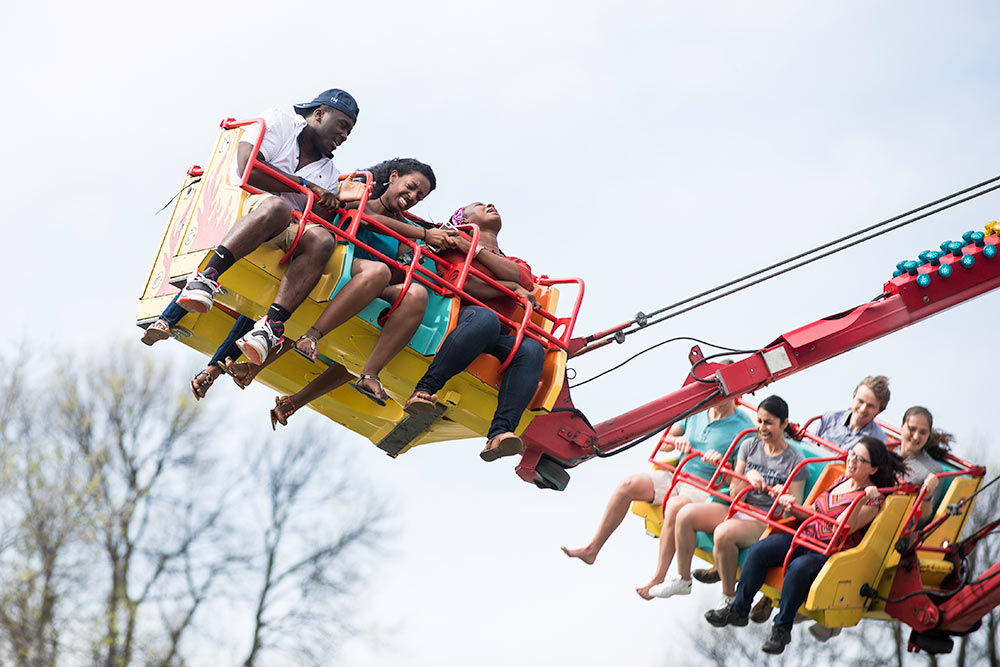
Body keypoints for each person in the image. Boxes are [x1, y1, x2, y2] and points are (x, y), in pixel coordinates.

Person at [165, 89, 360, 368]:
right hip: (243, 204)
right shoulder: (278, 122)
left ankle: (272, 325)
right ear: (319, 114)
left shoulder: (328, 172)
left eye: (349, 133)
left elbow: (313, 222)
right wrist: (305, 186)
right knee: (277, 208)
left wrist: (334, 203)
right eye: (343, 126)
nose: (344, 136)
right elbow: (249, 168)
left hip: (281, 229)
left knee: (323, 240)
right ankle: (207, 276)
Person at [263, 158, 455, 425]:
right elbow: (367, 218)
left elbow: (400, 268)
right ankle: (312, 335)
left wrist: (417, 255)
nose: (411, 196)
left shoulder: (407, 228)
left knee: (415, 293)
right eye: (410, 187)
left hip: (370, 283)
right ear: (395, 176)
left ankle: (369, 375)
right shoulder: (363, 196)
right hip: (339, 262)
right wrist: (423, 233)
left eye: (419, 196)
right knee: (378, 272)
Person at [705, 436, 907, 655]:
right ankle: (739, 608)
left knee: (799, 568)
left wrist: (859, 499)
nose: (851, 460)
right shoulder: (839, 481)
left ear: (873, 469)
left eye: (859, 459)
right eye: (852, 454)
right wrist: (791, 505)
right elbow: (811, 512)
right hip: (804, 535)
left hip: (828, 550)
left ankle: (782, 628)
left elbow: (844, 527)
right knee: (760, 550)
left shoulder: (873, 501)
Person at [402, 202, 544, 462]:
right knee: (485, 317)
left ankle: (500, 433)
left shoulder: (512, 260)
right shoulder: (453, 240)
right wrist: (511, 288)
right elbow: (465, 283)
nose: (490, 205)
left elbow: (523, 280)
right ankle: (424, 389)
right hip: (457, 315)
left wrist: (473, 250)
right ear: (462, 218)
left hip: (494, 329)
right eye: (479, 205)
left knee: (531, 349)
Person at [559, 394, 753, 581]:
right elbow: (664, 443)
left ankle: (659, 577)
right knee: (628, 485)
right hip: (677, 476)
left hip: (704, 488)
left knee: (675, 506)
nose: (717, 395)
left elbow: (737, 484)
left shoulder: (744, 429)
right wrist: (676, 441)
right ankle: (592, 549)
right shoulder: (699, 410)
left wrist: (721, 464)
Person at [645, 396, 808, 612]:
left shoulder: (796, 460)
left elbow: (795, 510)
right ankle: (683, 580)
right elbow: (735, 489)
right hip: (739, 506)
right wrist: (742, 475)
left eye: (768, 422)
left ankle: (728, 597)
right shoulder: (749, 445)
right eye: (759, 421)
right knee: (685, 514)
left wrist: (782, 495)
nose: (762, 428)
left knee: (724, 532)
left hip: (765, 518)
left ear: (784, 424)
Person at [898, 405, 953, 522]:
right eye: (912, 429)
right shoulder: (886, 451)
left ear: (928, 435)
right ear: (902, 427)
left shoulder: (932, 470)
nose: (916, 436)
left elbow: (923, 518)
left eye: (922, 432)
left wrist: (927, 494)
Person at [814, 375, 891, 449]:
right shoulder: (831, 418)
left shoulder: (879, 441)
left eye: (870, 406)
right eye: (860, 401)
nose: (863, 409)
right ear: (853, 398)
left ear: (880, 410)